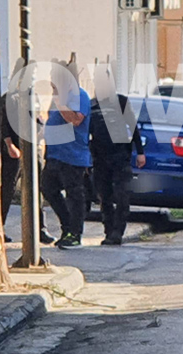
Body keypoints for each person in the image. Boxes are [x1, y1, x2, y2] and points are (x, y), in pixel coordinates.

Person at [89, 71, 146, 246]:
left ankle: (117, 232)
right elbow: (87, 132)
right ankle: (108, 231)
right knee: (104, 196)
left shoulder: (121, 101)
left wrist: (140, 152)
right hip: (100, 158)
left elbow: (133, 126)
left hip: (120, 156)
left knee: (122, 195)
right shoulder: (92, 105)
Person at [41, 65, 92, 249]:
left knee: (74, 194)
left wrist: (59, 99)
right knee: (48, 189)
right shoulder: (58, 98)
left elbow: (75, 119)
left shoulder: (80, 96)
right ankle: (67, 225)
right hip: (54, 154)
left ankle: (75, 234)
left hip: (72, 155)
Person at [0, 92, 55, 244]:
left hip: (33, 149)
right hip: (15, 151)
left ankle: (40, 229)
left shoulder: (34, 95)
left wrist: (41, 133)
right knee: (7, 190)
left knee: (36, 189)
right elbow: (2, 124)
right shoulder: (9, 98)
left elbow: (38, 118)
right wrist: (9, 145)